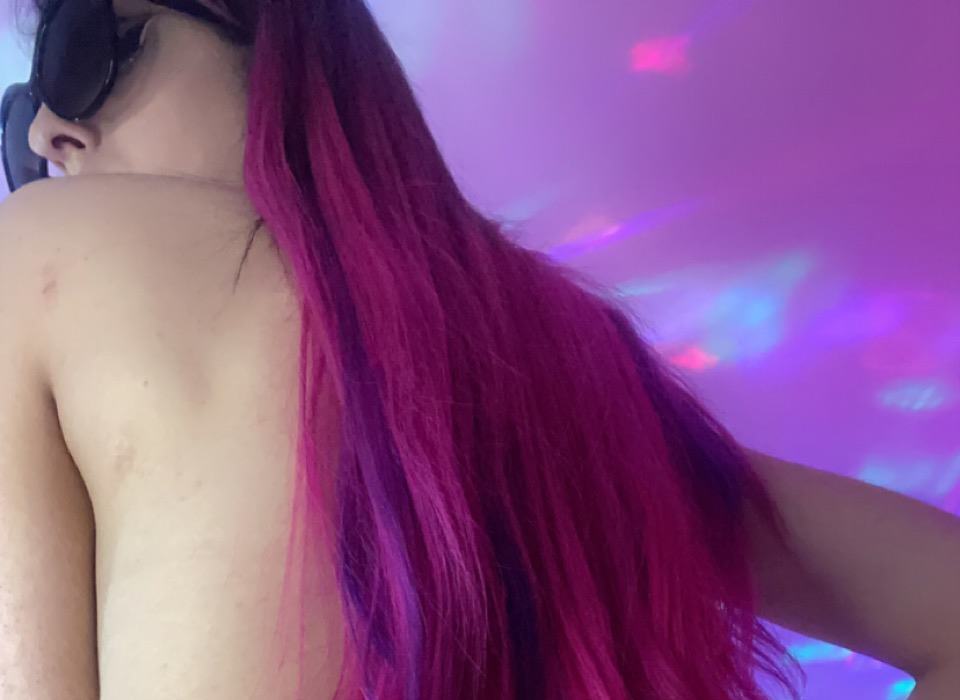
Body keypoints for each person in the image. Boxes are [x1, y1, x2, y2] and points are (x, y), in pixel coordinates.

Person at [0, 1, 958, 698]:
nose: (47, 132)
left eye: (86, 45)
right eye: (19, 116)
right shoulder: (588, 396)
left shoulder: (45, 253)